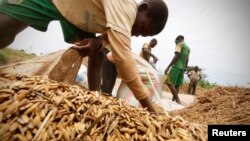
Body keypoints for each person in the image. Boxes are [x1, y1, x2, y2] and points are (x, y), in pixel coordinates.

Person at [0, 0, 168, 113]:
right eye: (142, 28)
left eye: (142, 36)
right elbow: (125, 61)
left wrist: (97, 43)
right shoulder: (127, 11)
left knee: (95, 54)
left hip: (81, 13)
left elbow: (109, 38)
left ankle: (93, 99)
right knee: (5, 28)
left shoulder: (123, 16)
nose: (137, 34)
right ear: (143, 8)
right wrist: (150, 108)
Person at [164, 35, 190, 104]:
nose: (175, 42)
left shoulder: (179, 44)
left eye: (176, 40)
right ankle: (173, 100)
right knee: (177, 85)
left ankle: (178, 100)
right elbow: (187, 60)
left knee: (169, 83)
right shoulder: (188, 48)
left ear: (179, 39)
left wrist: (168, 67)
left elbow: (176, 56)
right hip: (182, 68)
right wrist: (185, 68)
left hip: (176, 66)